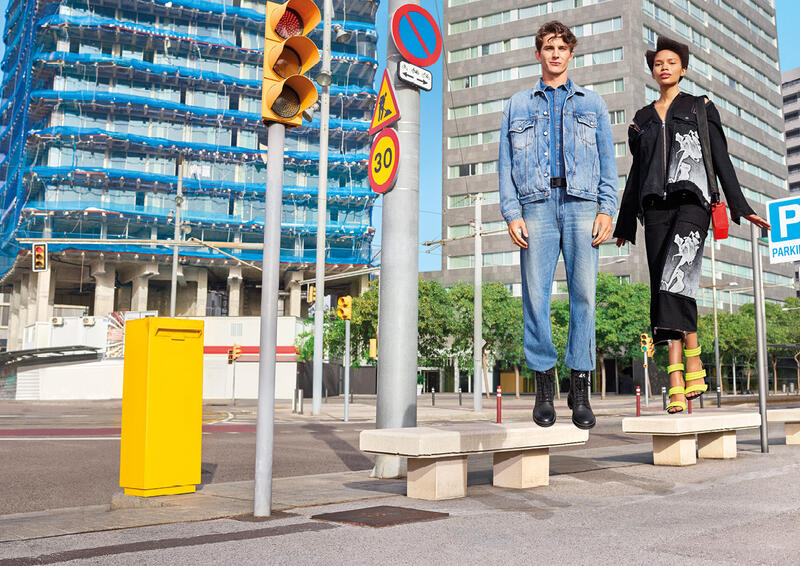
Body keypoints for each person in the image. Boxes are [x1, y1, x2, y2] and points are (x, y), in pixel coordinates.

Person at [613, 36, 770, 413]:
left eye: (671, 62)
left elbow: (721, 158)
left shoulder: (700, 106)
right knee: (665, 286)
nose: (663, 67)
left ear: (683, 69)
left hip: (692, 202)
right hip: (654, 209)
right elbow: (637, 172)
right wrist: (625, 222)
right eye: (658, 64)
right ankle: (681, 377)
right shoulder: (641, 119)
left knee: (676, 277)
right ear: (653, 72)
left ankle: (683, 371)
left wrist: (741, 206)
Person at [498, 21, 618, 429]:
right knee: (536, 297)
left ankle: (580, 388)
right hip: (535, 206)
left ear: (571, 54)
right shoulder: (517, 105)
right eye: (548, 47)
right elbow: (504, 165)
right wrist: (512, 213)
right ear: (538, 54)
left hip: (583, 204)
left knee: (584, 294)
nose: (555, 54)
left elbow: (607, 162)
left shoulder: (593, 103)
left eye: (562, 48)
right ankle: (544, 385)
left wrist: (607, 209)